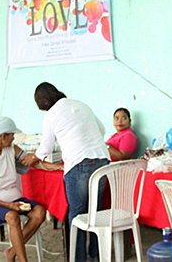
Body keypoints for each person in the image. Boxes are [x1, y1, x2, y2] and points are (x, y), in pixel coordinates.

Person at [21, 82, 110, 262]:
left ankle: (77, 259)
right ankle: (96, 255)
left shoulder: (51, 114)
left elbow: (45, 147)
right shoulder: (81, 104)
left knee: (76, 215)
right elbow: (102, 130)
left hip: (78, 164)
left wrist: (34, 157)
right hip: (103, 160)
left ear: (44, 102)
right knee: (96, 211)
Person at [0, 116, 51, 262]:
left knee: (39, 212)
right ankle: (23, 260)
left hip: (12, 200)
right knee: (12, 217)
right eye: (12, 134)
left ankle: (11, 252)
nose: (14, 137)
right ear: (3, 136)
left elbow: (30, 162)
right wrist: (8, 206)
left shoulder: (12, 149)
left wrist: (54, 167)